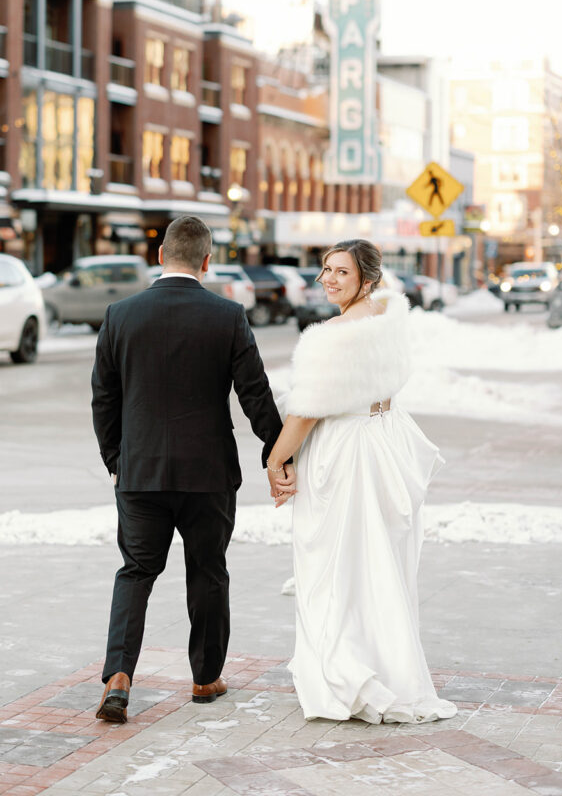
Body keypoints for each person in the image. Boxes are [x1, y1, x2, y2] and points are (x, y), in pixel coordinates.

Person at [91, 216, 288, 723]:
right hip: (208, 475)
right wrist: (281, 451)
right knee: (207, 571)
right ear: (207, 261)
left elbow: (104, 399)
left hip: (141, 474)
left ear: (160, 256)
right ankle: (205, 678)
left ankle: (118, 675)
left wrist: (117, 460)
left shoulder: (120, 315)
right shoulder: (227, 316)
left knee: (136, 571)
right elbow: (255, 395)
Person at [266, 239, 456, 724]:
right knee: (379, 565)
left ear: (366, 279)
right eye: (325, 270)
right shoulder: (389, 318)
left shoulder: (333, 336)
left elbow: (305, 412)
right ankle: (388, 669)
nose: (327, 279)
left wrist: (276, 459)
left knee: (336, 567)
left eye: (341, 273)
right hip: (384, 442)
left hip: (345, 454)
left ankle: (343, 674)